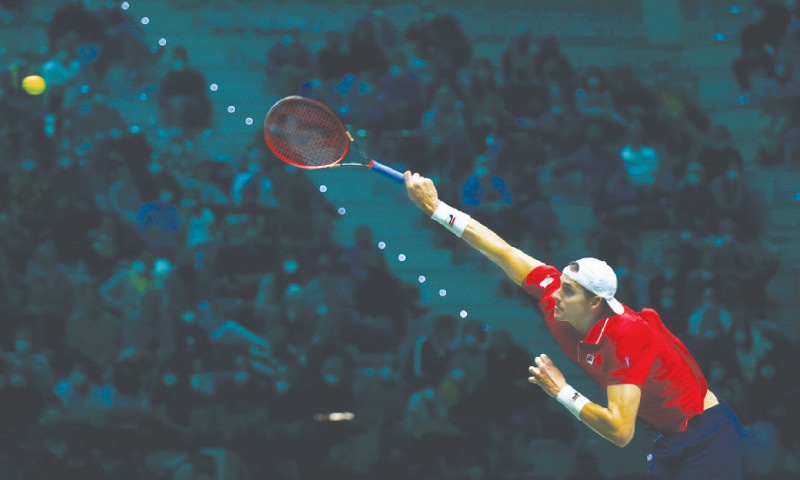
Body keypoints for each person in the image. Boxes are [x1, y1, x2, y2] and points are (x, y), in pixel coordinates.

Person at [403, 171, 744, 479]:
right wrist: (436, 208)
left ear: (595, 302)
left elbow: (620, 432)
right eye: (561, 282)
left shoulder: (626, 337)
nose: (555, 295)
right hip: (669, 436)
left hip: (709, 435)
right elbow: (502, 251)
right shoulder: (555, 295)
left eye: (568, 290)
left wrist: (561, 390)